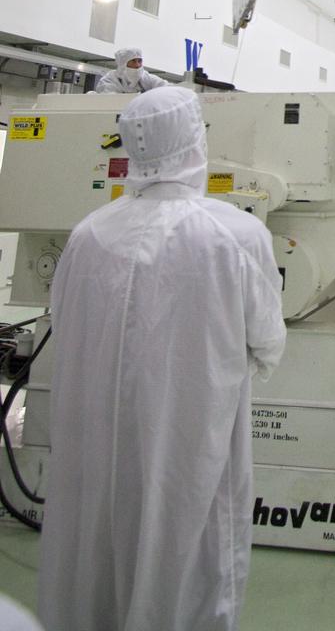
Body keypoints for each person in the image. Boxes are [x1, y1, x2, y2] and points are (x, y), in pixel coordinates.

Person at [37, 87, 287, 631]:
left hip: (94, 439)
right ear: (196, 140)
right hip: (190, 440)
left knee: (96, 551)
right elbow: (268, 341)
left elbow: (64, 320)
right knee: (187, 552)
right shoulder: (236, 234)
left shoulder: (87, 235)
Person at [94, 46, 169, 93]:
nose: (137, 65)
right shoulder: (110, 80)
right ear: (123, 64)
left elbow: (167, 88)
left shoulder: (145, 78)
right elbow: (110, 101)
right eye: (133, 61)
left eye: (139, 61)